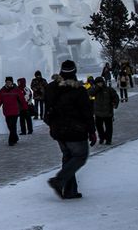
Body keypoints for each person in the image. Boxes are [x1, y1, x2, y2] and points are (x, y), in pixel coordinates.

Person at [44, 60, 97, 200]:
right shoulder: (79, 90)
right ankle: (59, 181)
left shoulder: (50, 88)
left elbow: (46, 110)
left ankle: (70, 191)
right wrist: (92, 131)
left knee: (68, 157)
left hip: (57, 130)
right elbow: (87, 112)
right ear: (74, 72)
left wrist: (52, 124)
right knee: (80, 156)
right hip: (75, 130)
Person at [0, 77, 26, 146]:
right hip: (7, 111)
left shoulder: (16, 90)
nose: (8, 83)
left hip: (15, 111)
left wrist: (25, 108)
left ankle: (11, 140)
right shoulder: (2, 90)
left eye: (9, 82)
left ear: (12, 82)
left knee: (13, 125)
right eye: (7, 82)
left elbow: (22, 100)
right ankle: (15, 137)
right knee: (9, 126)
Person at [91, 76, 120, 145]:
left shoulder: (108, 89)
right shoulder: (94, 90)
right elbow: (89, 93)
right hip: (98, 113)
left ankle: (108, 139)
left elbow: (115, 97)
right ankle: (102, 138)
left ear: (103, 82)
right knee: (99, 127)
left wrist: (115, 103)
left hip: (108, 112)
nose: (99, 84)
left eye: (100, 83)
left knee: (109, 128)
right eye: (98, 83)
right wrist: (97, 88)